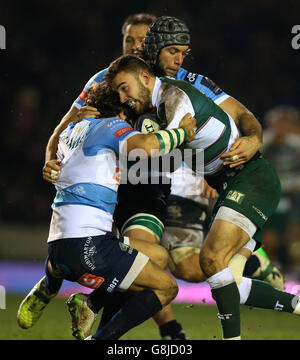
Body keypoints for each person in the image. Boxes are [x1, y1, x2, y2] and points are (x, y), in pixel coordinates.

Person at [39, 14, 283, 338]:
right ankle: (66, 283)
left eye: (142, 41)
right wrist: (52, 159)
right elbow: (67, 124)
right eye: (130, 41)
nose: (136, 46)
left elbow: (242, 115)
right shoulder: (110, 79)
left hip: (158, 180)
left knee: (179, 265)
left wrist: (250, 141)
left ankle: (86, 292)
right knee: (141, 262)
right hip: (116, 179)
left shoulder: (189, 82)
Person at [105, 53, 300, 340]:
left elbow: (161, 147)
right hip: (230, 187)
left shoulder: (174, 99)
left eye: (125, 88)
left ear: (145, 77)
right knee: (228, 282)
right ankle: (294, 303)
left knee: (210, 259)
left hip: (252, 180)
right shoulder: (157, 103)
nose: (123, 97)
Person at [17, 81, 196, 340]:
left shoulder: (72, 131)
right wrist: (182, 132)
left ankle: (59, 284)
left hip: (59, 246)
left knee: (157, 256)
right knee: (166, 288)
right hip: (88, 246)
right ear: (121, 107)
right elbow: (147, 145)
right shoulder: (111, 126)